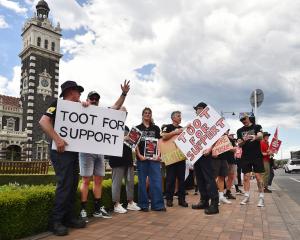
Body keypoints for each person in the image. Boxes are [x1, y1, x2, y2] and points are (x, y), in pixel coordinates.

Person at [39, 80, 86, 236]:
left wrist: (86, 108)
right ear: (71, 92)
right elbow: (44, 121)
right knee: (65, 184)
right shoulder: (57, 104)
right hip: (60, 151)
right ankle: (56, 221)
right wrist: (57, 139)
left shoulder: (78, 107)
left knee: (72, 184)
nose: (80, 95)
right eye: (78, 92)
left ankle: (69, 217)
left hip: (72, 152)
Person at [79, 80, 130, 221]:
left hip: (99, 151)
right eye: (92, 98)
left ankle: (97, 208)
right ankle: (82, 210)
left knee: (99, 180)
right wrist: (81, 105)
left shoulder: (103, 112)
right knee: (85, 180)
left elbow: (117, 106)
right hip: (86, 151)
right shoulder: (82, 108)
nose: (94, 100)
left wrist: (124, 93)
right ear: (88, 99)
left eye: (96, 99)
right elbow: (72, 110)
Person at [108, 106, 141, 214]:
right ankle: (116, 204)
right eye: (122, 112)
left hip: (127, 158)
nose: (124, 114)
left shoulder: (126, 127)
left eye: (126, 113)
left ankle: (130, 203)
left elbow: (130, 143)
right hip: (116, 158)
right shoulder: (111, 124)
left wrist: (135, 140)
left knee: (130, 182)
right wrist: (124, 138)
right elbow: (109, 139)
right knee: (116, 182)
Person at [191, 102, 219, 215]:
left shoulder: (210, 122)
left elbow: (218, 135)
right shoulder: (194, 124)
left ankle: (214, 204)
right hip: (196, 155)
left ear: (205, 110)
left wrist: (211, 148)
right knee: (200, 178)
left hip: (206, 154)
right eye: (196, 109)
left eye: (199, 108)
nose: (197, 111)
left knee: (209, 179)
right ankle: (204, 201)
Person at [135, 107, 166, 212]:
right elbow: (135, 144)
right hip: (142, 159)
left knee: (156, 181)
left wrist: (159, 155)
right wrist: (139, 155)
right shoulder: (137, 128)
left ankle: (158, 205)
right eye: (145, 113)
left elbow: (160, 143)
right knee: (142, 182)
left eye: (149, 113)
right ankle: (143, 205)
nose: (147, 114)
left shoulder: (156, 128)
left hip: (154, 159)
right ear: (142, 115)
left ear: (151, 115)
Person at [237, 113, 264, 207]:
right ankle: (247, 196)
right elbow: (239, 144)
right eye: (241, 120)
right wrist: (244, 140)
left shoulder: (257, 126)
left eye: (244, 118)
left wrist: (254, 137)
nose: (243, 121)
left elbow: (261, 136)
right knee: (246, 177)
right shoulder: (240, 130)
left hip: (256, 155)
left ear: (248, 117)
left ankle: (261, 197)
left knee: (258, 177)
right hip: (246, 156)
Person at [161, 111, 188, 208]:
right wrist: (175, 132)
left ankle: (182, 200)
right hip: (170, 157)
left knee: (181, 180)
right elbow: (163, 136)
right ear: (173, 118)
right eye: (178, 116)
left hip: (181, 157)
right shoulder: (167, 127)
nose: (180, 117)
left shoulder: (182, 128)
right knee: (170, 179)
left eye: (180, 116)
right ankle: (169, 199)